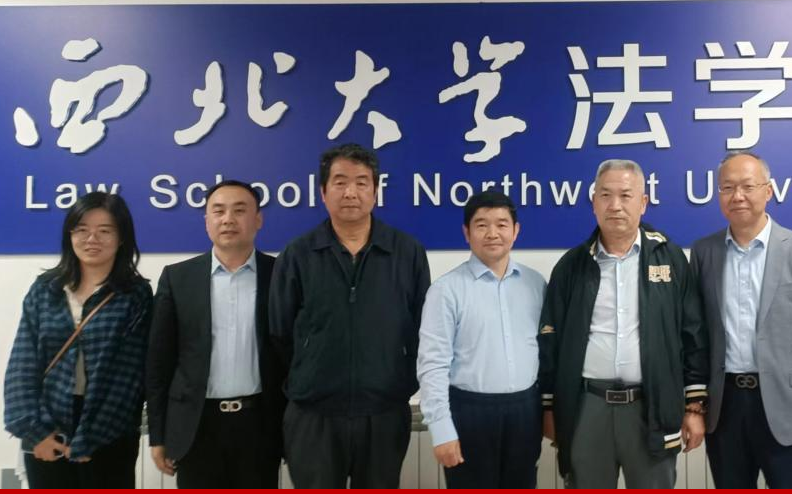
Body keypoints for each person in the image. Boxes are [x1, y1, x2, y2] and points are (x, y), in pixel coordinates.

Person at [538, 159, 710, 489]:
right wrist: (549, 408)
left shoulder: (670, 259)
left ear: (643, 203)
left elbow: (694, 334)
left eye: (626, 195)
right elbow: (550, 341)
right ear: (593, 203)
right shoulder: (572, 266)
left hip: (651, 406)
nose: (615, 205)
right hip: (588, 407)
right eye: (605, 195)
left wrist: (694, 406)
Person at [269, 143, 431, 488]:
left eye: (361, 182)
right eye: (340, 182)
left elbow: (422, 328)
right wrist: (311, 375)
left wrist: (399, 383)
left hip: (384, 412)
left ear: (375, 190)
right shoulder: (298, 254)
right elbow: (280, 333)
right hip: (314, 415)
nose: (350, 192)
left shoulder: (407, 252)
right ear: (323, 191)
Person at [690, 151, 792, 488]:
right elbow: (697, 332)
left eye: (747, 186)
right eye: (727, 188)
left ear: (768, 191)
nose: (737, 196)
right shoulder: (704, 252)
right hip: (725, 405)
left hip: (788, 405)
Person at [3, 191, 152, 488]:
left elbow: (130, 376)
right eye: (81, 230)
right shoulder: (45, 289)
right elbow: (22, 364)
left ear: (122, 238)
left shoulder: (135, 294)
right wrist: (34, 431)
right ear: (69, 235)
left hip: (110, 431)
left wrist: (90, 438)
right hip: (47, 423)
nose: (91, 239)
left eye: (104, 231)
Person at [146, 180, 284, 487]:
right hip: (196, 427)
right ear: (206, 220)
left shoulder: (281, 274)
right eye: (218, 211)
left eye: (239, 210)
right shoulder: (177, 278)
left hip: (260, 426)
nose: (228, 219)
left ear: (258, 219)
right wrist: (158, 434)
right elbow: (158, 364)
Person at [417, 191, 546, 488]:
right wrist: (441, 429)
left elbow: (546, 352)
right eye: (481, 225)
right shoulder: (446, 290)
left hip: (525, 412)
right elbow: (432, 364)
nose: (492, 233)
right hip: (469, 413)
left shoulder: (535, 284)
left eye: (501, 224)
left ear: (516, 230)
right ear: (467, 232)